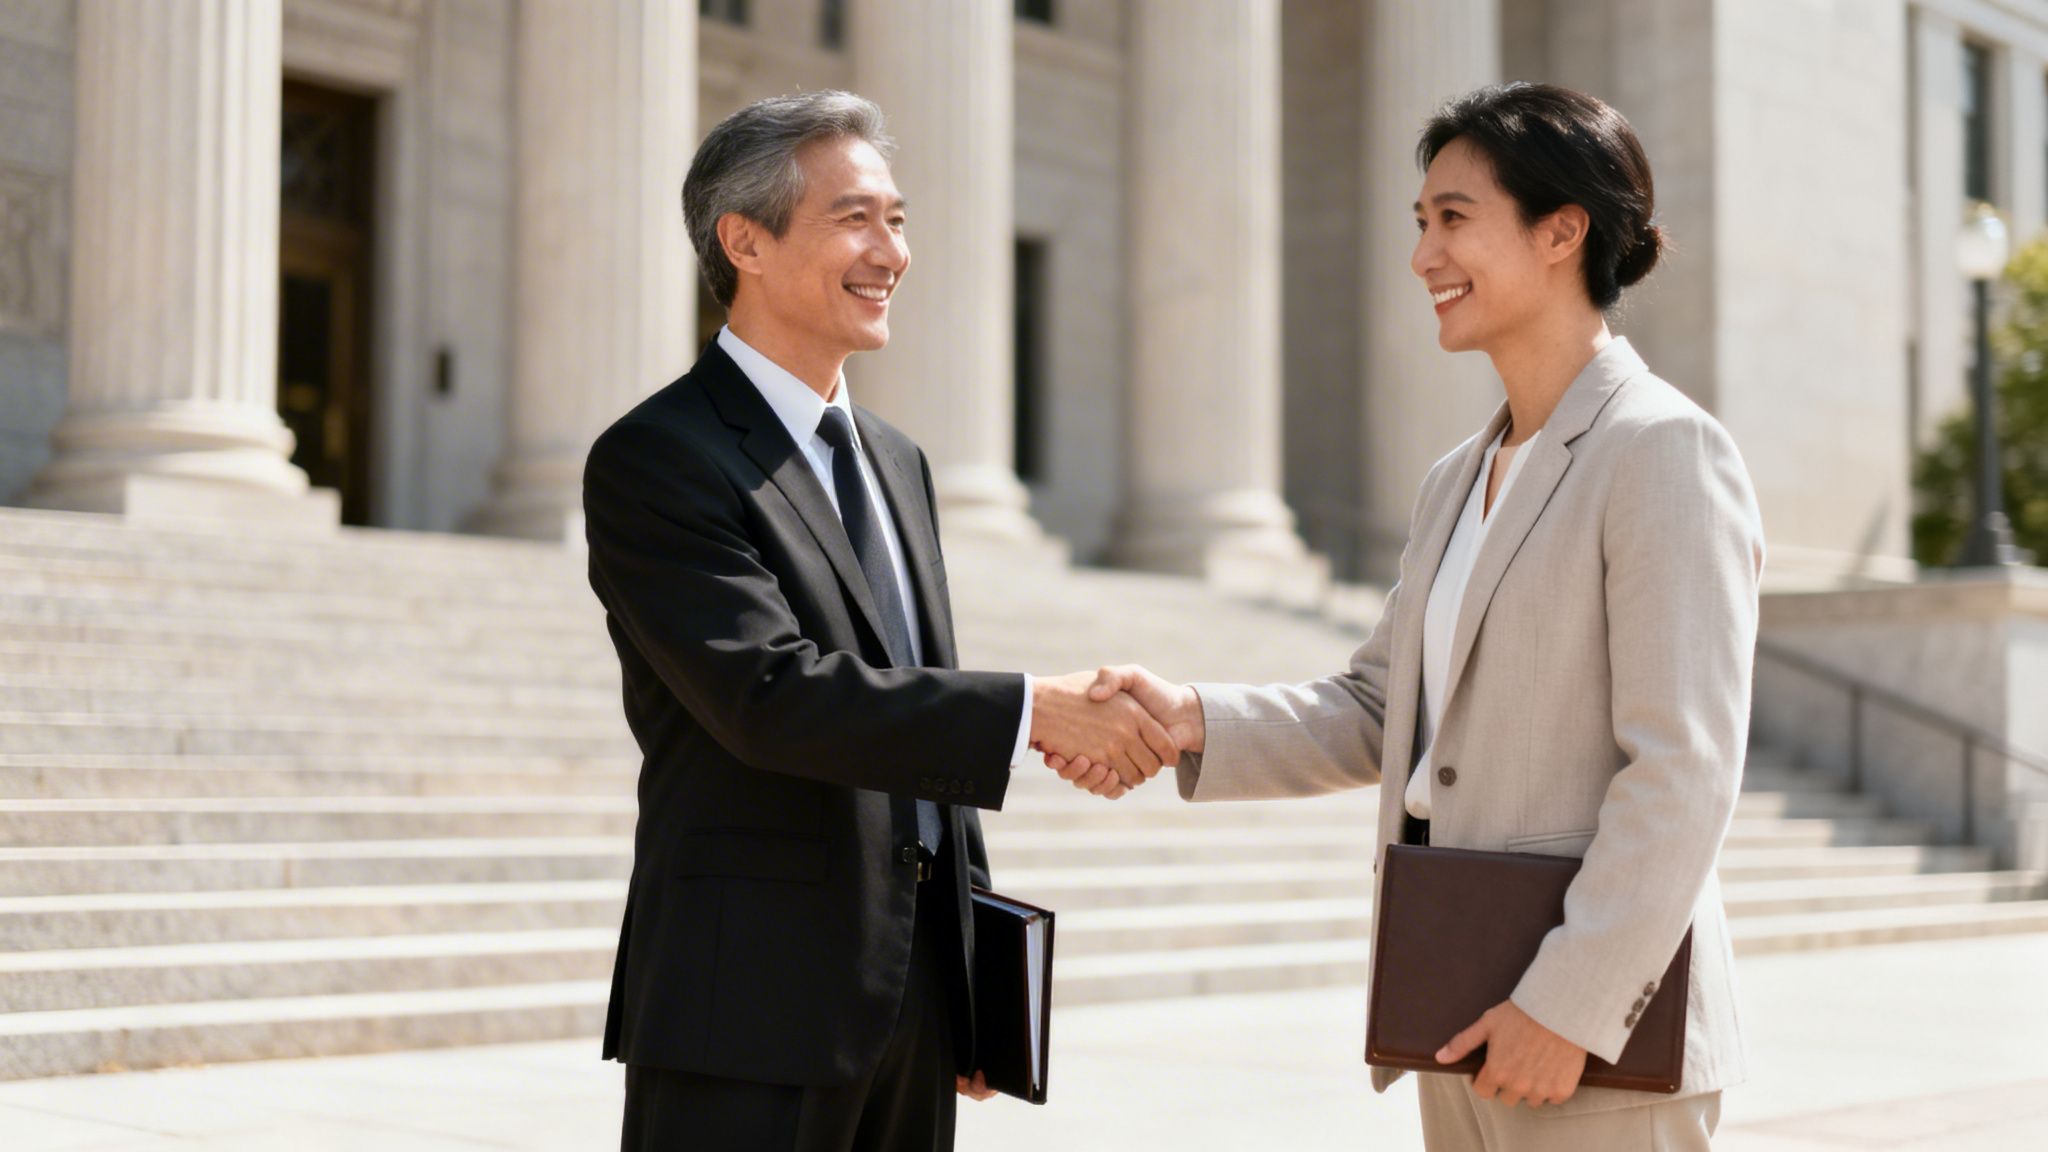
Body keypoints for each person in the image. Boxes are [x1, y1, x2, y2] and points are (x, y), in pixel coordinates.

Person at [1049, 83, 1763, 1149]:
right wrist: (1191, 715)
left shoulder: (1660, 450)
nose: (1422, 255)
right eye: (1418, 224)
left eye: (1452, 219)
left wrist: (1563, 1006)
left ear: (1561, 231)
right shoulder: (1453, 479)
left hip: (1596, 1046)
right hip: (1457, 1014)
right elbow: (1380, 706)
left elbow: (1683, 767)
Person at [583, 90, 1167, 1152]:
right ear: (742, 241)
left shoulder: (896, 462)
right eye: (855, 218)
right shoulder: (657, 456)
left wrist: (971, 969)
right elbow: (768, 697)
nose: (890, 251)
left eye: (896, 219)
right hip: (745, 1015)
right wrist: (1033, 710)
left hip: (912, 1006)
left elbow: (914, 709)